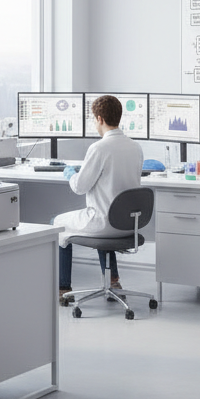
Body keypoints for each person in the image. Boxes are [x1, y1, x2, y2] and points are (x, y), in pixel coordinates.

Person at [55, 95, 143, 298]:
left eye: (94, 119)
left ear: (100, 119)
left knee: (57, 224)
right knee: (103, 217)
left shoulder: (99, 148)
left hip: (104, 224)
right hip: (128, 224)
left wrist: (70, 173)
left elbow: (79, 186)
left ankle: (64, 289)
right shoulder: (135, 147)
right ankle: (113, 281)